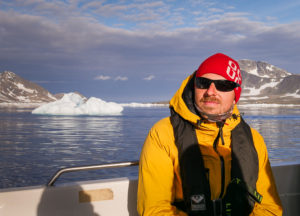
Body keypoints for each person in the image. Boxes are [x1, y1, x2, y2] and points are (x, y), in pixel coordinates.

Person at [137, 53, 283, 216]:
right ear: (194, 86)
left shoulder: (254, 140)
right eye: (203, 83)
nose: (210, 91)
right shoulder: (163, 134)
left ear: (235, 94)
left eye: (224, 85)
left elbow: (269, 207)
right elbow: (155, 210)